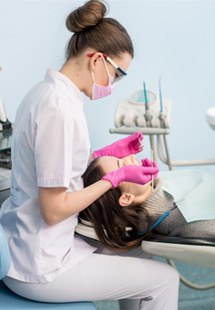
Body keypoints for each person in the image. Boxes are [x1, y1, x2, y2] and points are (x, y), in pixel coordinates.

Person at [0, 1, 179, 309]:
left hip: (26, 244)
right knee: (165, 279)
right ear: (96, 59)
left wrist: (107, 153)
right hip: (43, 267)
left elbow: (54, 167)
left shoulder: (45, 93)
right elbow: (54, 210)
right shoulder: (60, 111)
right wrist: (115, 178)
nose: (115, 84)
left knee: (136, 251)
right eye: (118, 73)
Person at [81, 154, 215, 250]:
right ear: (127, 198)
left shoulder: (164, 188)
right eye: (122, 165)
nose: (131, 156)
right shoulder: (183, 219)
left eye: (121, 157)